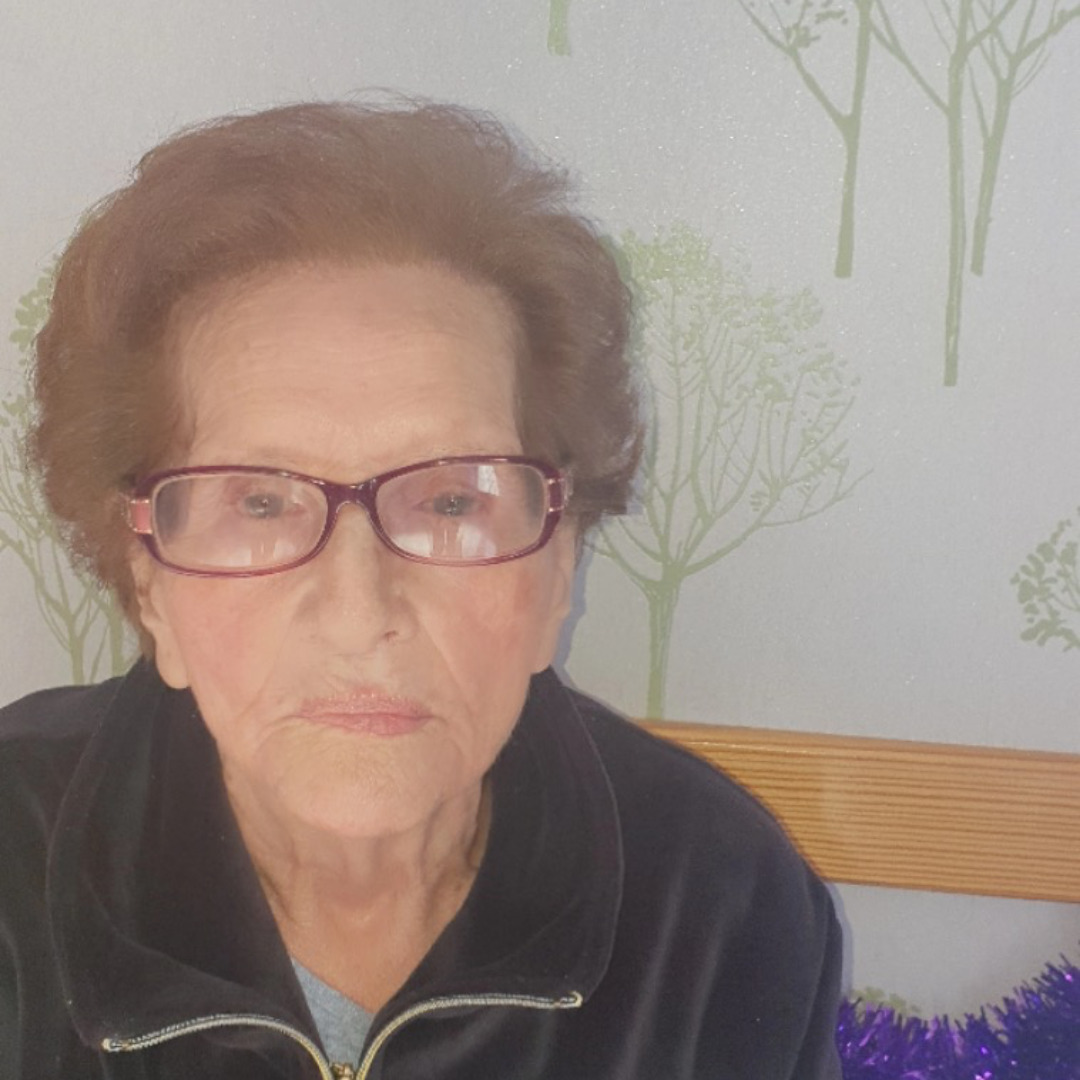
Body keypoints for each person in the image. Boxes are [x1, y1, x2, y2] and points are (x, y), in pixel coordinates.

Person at [0, 99, 842, 1079]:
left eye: (449, 500)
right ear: (149, 585)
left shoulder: (722, 906)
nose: (360, 615)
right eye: (260, 503)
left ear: (557, 568)